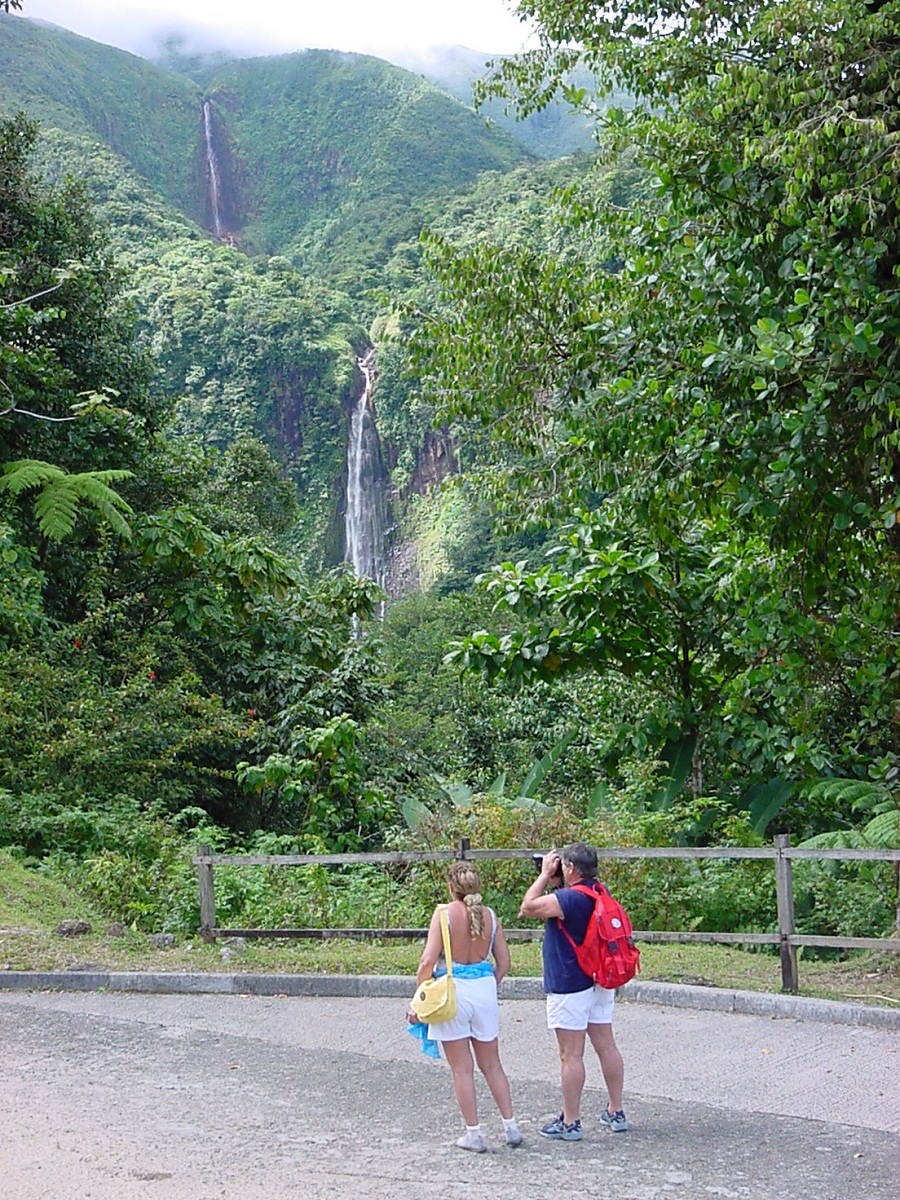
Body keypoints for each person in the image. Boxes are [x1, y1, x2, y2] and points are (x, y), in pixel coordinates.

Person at [407, 861, 523, 1152]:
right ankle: (511, 1126)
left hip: (453, 991)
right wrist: (488, 984)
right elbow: (505, 963)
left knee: (462, 1069)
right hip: (484, 988)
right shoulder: (491, 916)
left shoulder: (443, 914)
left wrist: (420, 998)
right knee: (493, 1064)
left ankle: (474, 1134)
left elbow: (427, 962)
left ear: (451, 886)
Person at [519, 841, 628, 1141]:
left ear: (570, 868)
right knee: (607, 1046)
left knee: (570, 1055)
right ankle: (615, 1110)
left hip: (570, 984)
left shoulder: (568, 900)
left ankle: (571, 1121)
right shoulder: (598, 893)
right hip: (599, 982)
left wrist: (542, 877)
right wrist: (557, 882)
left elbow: (527, 907)